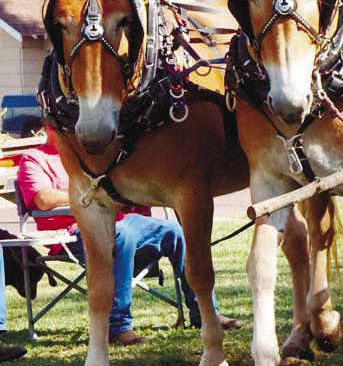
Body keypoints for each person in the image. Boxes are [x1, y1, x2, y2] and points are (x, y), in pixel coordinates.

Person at [16, 127, 241, 345]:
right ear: (50, 127)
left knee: (175, 232)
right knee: (121, 236)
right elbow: (42, 199)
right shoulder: (34, 158)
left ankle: (205, 312)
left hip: (120, 220)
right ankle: (118, 326)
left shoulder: (90, 157)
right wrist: (89, 193)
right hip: (73, 231)